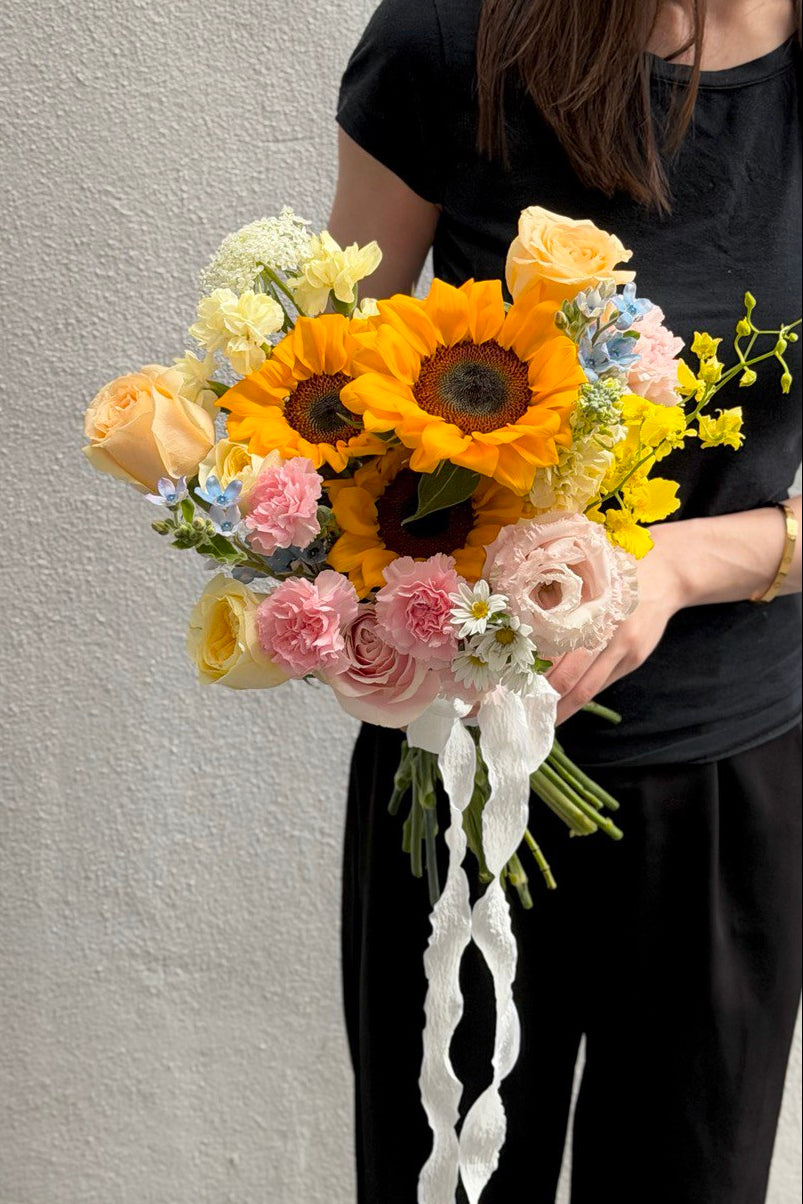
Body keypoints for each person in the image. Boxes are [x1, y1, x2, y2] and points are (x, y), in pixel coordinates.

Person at [327, 1, 803, 1200]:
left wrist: (684, 565)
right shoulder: (452, 41)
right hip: (462, 761)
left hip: (728, 785)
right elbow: (323, 410)